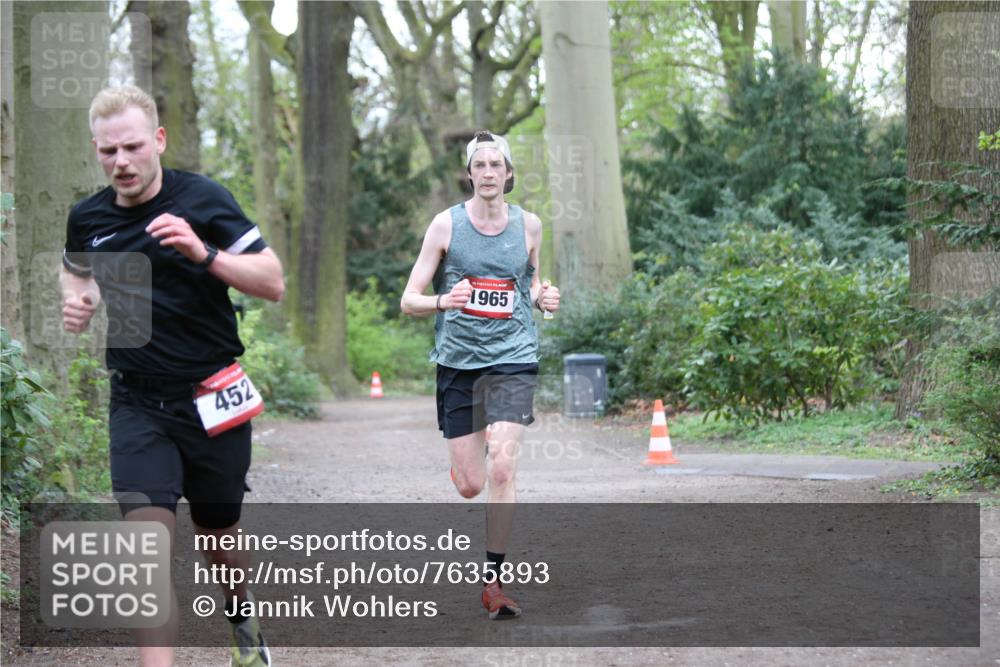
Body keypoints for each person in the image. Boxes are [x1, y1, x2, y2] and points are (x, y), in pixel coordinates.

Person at [61, 85, 283, 667]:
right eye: (108, 151)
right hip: (137, 404)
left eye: (133, 146)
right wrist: (81, 299)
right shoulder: (88, 218)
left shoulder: (203, 199)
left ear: (158, 140)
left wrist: (204, 253)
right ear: (96, 150)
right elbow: (76, 270)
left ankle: (243, 626)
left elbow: (273, 281)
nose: (121, 161)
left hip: (213, 397)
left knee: (219, 538)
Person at [400, 130, 560, 619]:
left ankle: (493, 582)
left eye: (496, 165)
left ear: (508, 173)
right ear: (469, 174)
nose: (488, 173)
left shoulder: (529, 225)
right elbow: (409, 299)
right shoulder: (445, 226)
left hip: (513, 356)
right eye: (480, 165)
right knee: (471, 484)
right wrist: (444, 300)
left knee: (503, 468)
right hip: (459, 363)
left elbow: (529, 282)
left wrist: (543, 297)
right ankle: (463, 466)